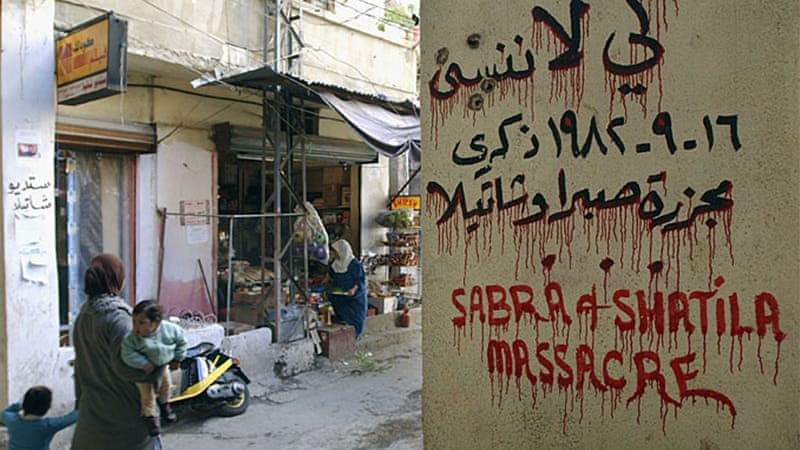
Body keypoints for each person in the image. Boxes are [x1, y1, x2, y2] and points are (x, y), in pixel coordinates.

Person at [71, 253, 159, 450]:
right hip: (122, 424)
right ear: (116, 279)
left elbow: (80, 368)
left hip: (91, 420)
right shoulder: (119, 320)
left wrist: (79, 405)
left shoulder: (83, 317)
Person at [121, 300, 187, 436]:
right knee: (147, 395)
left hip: (162, 365)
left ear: (155, 322)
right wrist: (142, 363)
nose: (136, 328)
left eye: (141, 323)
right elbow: (127, 353)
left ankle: (164, 406)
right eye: (134, 322)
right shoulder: (133, 338)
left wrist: (177, 358)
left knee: (166, 386)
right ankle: (150, 419)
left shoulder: (170, 330)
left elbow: (181, 342)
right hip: (142, 372)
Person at [2, 385, 78, 449]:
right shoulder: (47, 426)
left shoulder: (11, 420)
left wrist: (20, 405)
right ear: (47, 407)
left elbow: (5, 412)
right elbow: (72, 417)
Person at [327, 239, 368, 338]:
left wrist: (353, 289)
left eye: (336, 252)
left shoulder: (355, 265)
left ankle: (355, 336)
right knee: (341, 316)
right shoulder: (335, 264)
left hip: (354, 298)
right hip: (340, 295)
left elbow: (360, 280)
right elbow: (330, 276)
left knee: (355, 319)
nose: (335, 254)